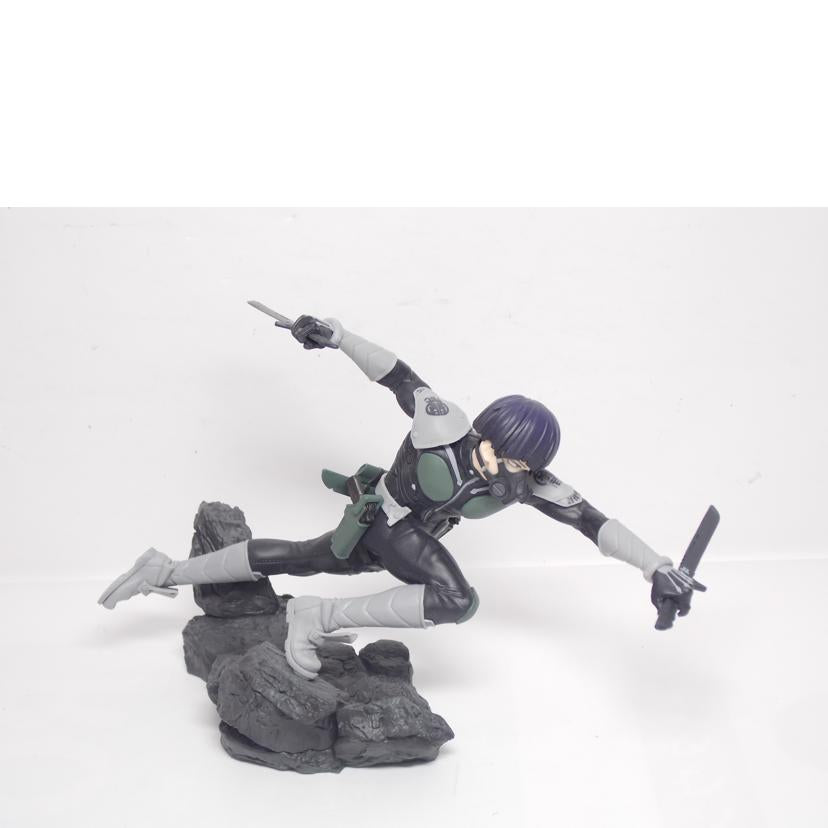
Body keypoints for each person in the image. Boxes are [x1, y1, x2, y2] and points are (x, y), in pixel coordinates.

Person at [98, 314, 705, 679]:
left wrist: (657, 567)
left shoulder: (527, 484)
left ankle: (165, 568)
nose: (512, 471)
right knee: (456, 600)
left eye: (526, 465)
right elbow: (396, 373)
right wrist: (336, 335)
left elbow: (593, 522)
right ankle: (313, 617)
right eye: (508, 456)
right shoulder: (442, 425)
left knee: (300, 557)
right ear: (487, 435)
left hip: (404, 538)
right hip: (385, 520)